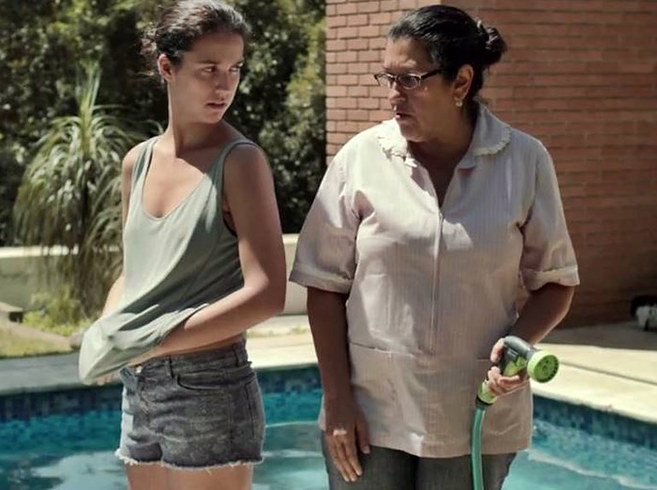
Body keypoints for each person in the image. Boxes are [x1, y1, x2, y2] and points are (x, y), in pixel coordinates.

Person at [290, 5, 579, 490]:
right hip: (370, 413)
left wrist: (518, 344)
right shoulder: (360, 158)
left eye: (410, 80)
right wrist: (337, 399)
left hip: (474, 412)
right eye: (388, 78)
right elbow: (323, 286)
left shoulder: (524, 161)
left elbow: (555, 282)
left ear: (461, 82)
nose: (393, 95)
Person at [78, 1, 286, 489]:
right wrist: (107, 335)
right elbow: (134, 273)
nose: (224, 85)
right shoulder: (138, 162)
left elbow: (267, 295)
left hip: (209, 384)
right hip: (139, 384)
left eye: (234, 69)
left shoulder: (241, 162)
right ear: (167, 67)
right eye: (208, 69)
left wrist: (151, 341)